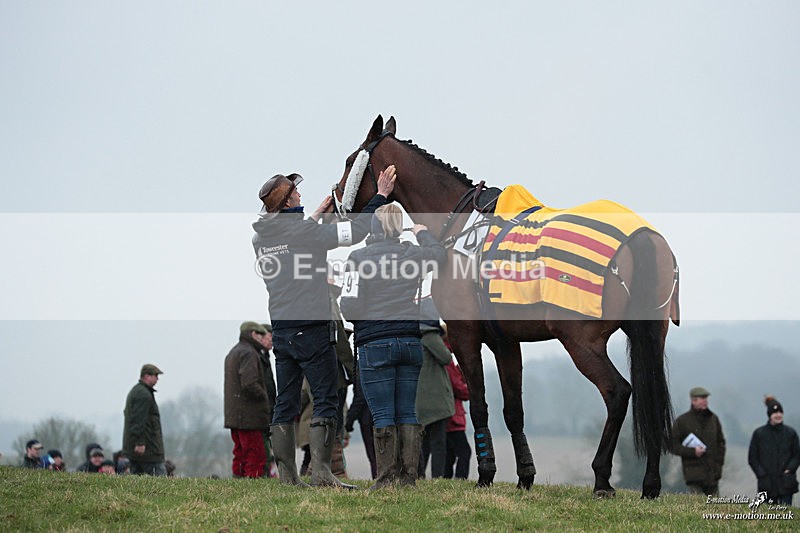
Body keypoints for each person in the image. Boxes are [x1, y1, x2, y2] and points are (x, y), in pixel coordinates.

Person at [252, 165, 396, 488]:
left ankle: (288, 478)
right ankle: (322, 473)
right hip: (313, 327)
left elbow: (294, 237)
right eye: (295, 193)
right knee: (326, 397)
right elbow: (353, 232)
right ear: (288, 204)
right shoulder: (302, 232)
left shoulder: (261, 238)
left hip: (284, 330)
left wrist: (316, 213)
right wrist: (380, 197)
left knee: (286, 402)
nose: (300, 194)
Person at [340, 203, 447, 489]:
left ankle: (387, 478)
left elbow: (349, 308)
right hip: (410, 341)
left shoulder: (357, 258)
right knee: (408, 412)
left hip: (375, 344)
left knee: (383, 413)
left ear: (374, 228)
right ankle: (409, 478)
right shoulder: (414, 254)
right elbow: (439, 254)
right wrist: (423, 234)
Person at [224, 321, 273, 478]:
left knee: (240, 453)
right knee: (256, 455)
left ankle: (238, 482)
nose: (262, 338)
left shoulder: (233, 352)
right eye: (261, 335)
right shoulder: (249, 353)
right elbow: (250, 384)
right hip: (249, 416)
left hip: (235, 415)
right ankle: (254, 485)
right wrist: (265, 397)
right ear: (253, 334)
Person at [416, 299, 455, 480]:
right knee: (438, 442)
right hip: (435, 398)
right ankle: (438, 476)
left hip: (421, 398)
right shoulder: (429, 335)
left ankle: (420, 475)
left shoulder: (416, 335)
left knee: (423, 443)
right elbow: (445, 357)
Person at [670, 387, 726, 496]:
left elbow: (721, 443)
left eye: (706, 398)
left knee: (716, 509)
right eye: (702, 398)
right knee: (697, 508)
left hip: (713, 475)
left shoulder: (714, 419)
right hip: (693, 475)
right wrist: (692, 452)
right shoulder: (682, 421)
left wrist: (719, 464)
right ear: (693, 400)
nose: (705, 401)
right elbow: (673, 446)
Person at [748, 396, 800, 506]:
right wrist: (761, 474)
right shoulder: (759, 434)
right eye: (775, 413)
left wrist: (789, 469)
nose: (778, 415)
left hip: (786, 483)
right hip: (767, 484)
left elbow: (797, 455)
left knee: (786, 516)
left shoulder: (791, 433)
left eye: (780, 412)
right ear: (770, 415)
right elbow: (752, 457)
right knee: (769, 518)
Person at [122, 364, 166, 476]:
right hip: (147, 450)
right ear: (146, 376)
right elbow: (138, 420)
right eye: (155, 375)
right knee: (162, 482)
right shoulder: (143, 394)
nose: (157, 379)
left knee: (137, 480)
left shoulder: (137, 391)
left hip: (137, 448)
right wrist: (140, 442)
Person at [345, 363, 378, 479]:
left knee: (374, 456)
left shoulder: (362, 365)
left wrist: (349, 421)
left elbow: (360, 397)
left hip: (368, 418)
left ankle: (379, 480)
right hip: (383, 416)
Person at [444, 355, 471, 480]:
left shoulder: (447, 357)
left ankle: (445, 480)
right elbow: (458, 387)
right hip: (453, 416)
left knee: (449, 454)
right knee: (464, 452)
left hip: (450, 414)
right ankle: (460, 480)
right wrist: (473, 390)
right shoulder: (446, 358)